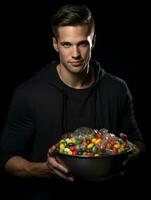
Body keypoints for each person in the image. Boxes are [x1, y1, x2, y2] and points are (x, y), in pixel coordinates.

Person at [0, 3, 145, 199]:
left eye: (82, 43)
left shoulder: (117, 89)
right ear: (55, 44)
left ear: (93, 41)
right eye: (67, 44)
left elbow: (138, 144)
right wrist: (44, 169)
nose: (75, 54)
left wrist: (130, 154)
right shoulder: (29, 93)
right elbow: (7, 158)